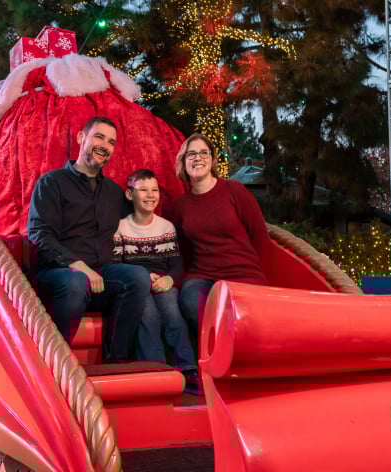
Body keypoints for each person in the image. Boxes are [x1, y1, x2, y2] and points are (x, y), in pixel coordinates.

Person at [27, 116, 150, 362]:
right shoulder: (52, 182)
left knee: (138, 277)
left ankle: (116, 362)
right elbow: (39, 234)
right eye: (99, 136)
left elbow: (139, 226)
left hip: (101, 275)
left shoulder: (115, 192)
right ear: (82, 138)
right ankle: (53, 364)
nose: (105, 145)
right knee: (76, 282)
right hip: (57, 274)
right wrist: (77, 265)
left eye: (111, 142)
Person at [171, 133, 270, 337]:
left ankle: (235, 356)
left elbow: (259, 236)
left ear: (213, 159)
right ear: (183, 161)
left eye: (203, 153)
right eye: (191, 154)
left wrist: (257, 274)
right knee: (189, 302)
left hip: (243, 274)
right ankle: (215, 357)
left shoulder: (234, 190)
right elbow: (183, 250)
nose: (198, 158)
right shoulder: (180, 206)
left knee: (244, 314)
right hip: (203, 276)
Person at [113, 169, 200, 392]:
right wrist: (143, 275)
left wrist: (171, 279)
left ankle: (187, 368)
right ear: (130, 194)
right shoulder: (121, 227)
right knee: (148, 314)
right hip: (137, 285)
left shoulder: (165, 227)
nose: (150, 195)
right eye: (143, 190)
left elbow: (177, 265)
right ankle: (155, 370)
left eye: (154, 190)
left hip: (163, 282)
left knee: (172, 310)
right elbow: (116, 264)